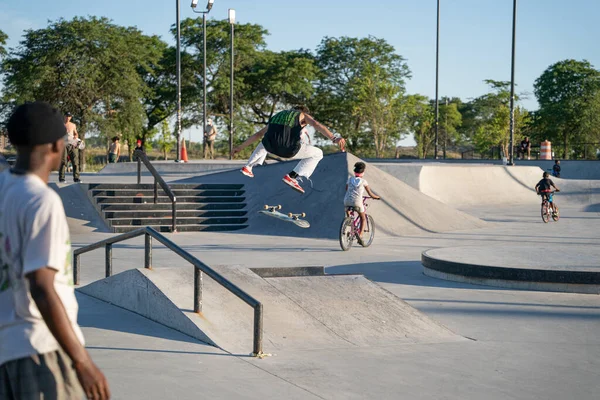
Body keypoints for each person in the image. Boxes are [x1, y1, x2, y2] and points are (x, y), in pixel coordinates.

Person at [0, 102, 110, 400]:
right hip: (42, 348)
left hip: (6, 350)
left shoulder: (3, 190)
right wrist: (82, 361)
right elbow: (42, 287)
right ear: (55, 145)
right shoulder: (40, 201)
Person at [233, 105, 346, 194]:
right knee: (318, 153)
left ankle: (248, 166)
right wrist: (334, 138)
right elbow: (316, 124)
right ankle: (292, 176)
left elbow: (258, 134)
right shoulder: (303, 115)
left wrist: (240, 148)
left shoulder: (278, 116)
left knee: (267, 139)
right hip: (289, 150)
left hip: (271, 148)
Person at [344, 162, 380, 244]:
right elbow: (370, 194)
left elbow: (346, 189)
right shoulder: (364, 181)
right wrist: (377, 197)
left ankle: (349, 221)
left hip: (346, 200)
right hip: (357, 202)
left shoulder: (349, 179)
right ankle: (360, 235)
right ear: (363, 173)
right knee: (363, 218)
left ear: (354, 172)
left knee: (348, 210)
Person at [58, 112, 81, 183]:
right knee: (63, 162)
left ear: (71, 117)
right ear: (64, 116)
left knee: (75, 162)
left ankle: (76, 178)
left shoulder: (73, 125)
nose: (68, 118)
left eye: (69, 116)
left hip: (72, 144)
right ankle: (62, 178)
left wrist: (76, 136)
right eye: (67, 116)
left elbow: (76, 133)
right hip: (64, 144)